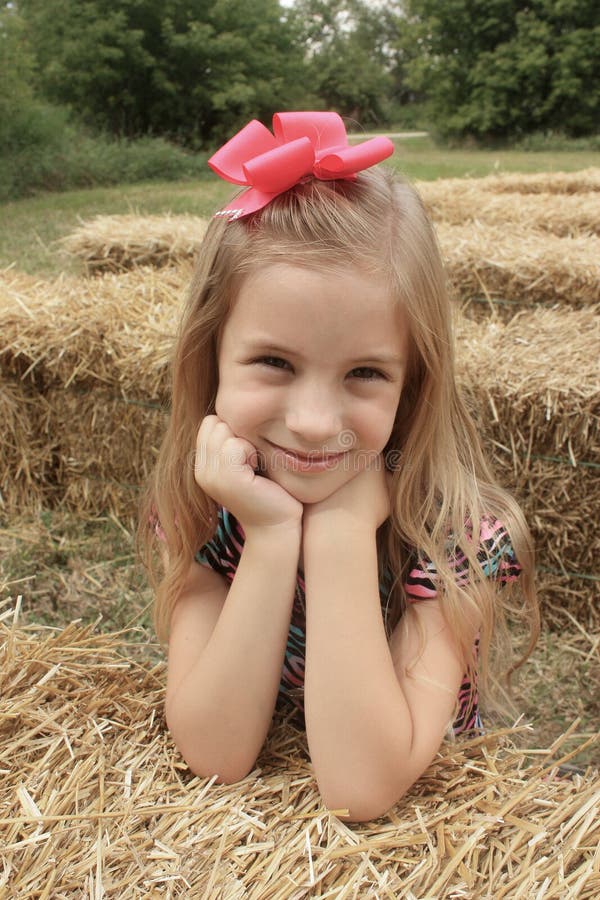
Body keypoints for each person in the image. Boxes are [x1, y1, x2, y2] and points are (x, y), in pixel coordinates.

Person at [140, 112, 539, 822]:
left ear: (413, 382)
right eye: (274, 362)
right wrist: (267, 538)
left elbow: (360, 789)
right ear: (210, 359)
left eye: (364, 372)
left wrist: (341, 535)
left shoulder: (455, 539)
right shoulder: (205, 507)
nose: (317, 422)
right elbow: (215, 755)